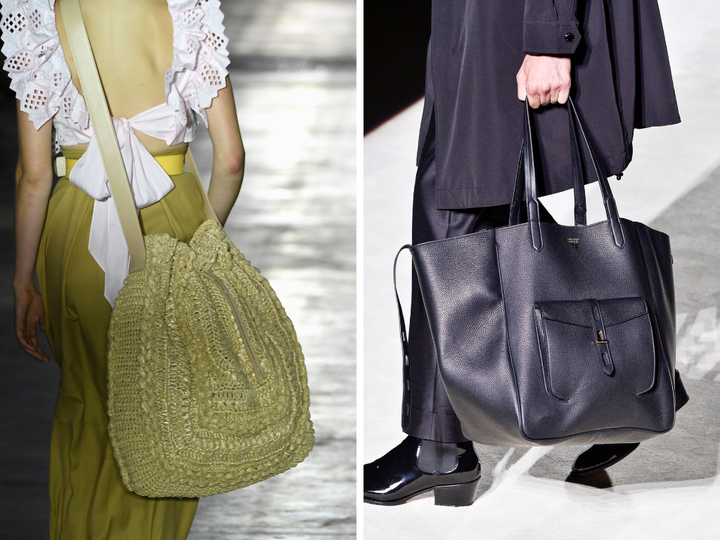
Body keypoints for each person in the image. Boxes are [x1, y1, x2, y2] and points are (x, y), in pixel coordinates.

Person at [364, 0, 689, 506]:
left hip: (514, 18)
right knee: (474, 189)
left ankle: (439, 448)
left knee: (457, 196)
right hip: (479, 18)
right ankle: (628, 374)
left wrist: (548, 36)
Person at [4, 0, 244, 536]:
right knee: (167, 406)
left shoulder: (40, 12)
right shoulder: (188, 9)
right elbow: (229, 159)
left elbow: (35, 176)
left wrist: (23, 281)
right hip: (175, 213)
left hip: (76, 226)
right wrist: (201, 244)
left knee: (88, 402)